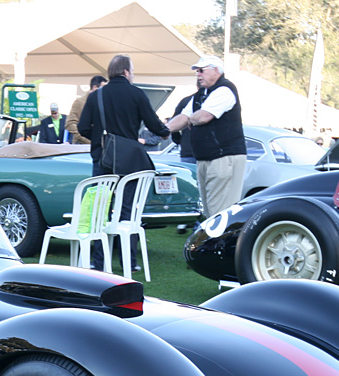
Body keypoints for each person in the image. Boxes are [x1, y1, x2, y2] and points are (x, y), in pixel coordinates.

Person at [78, 54, 169, 270]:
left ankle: (98, 262)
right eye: (133, 71)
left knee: (101, 210)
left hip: (102, 159)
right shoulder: (136, 94)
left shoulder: (95, 97)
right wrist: (165, 132)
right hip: (129, 163)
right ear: (126, 72)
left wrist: (101, 139)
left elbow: (82, 128)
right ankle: (129, 262)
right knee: (127, 209)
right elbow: (153, 124)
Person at [168, 55, 246, 219]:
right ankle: (213, 242)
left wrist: (190, 120)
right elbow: (184, 117)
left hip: (224, 157)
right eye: (197, 71)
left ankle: (221, 244)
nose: (198, 74)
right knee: (209, 209)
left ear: (216, 71)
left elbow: (204, 117)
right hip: (206, 158)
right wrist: (163, 130)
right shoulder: (201, 94)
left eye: (202, 70)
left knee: (220, 211)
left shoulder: (225, 89)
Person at [66, 75, 106, 145]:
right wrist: (83, 138)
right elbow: (70, 124)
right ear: (95, 87)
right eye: (103, 88)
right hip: (82, 146)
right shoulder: (80, 102)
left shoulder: (101, 102)